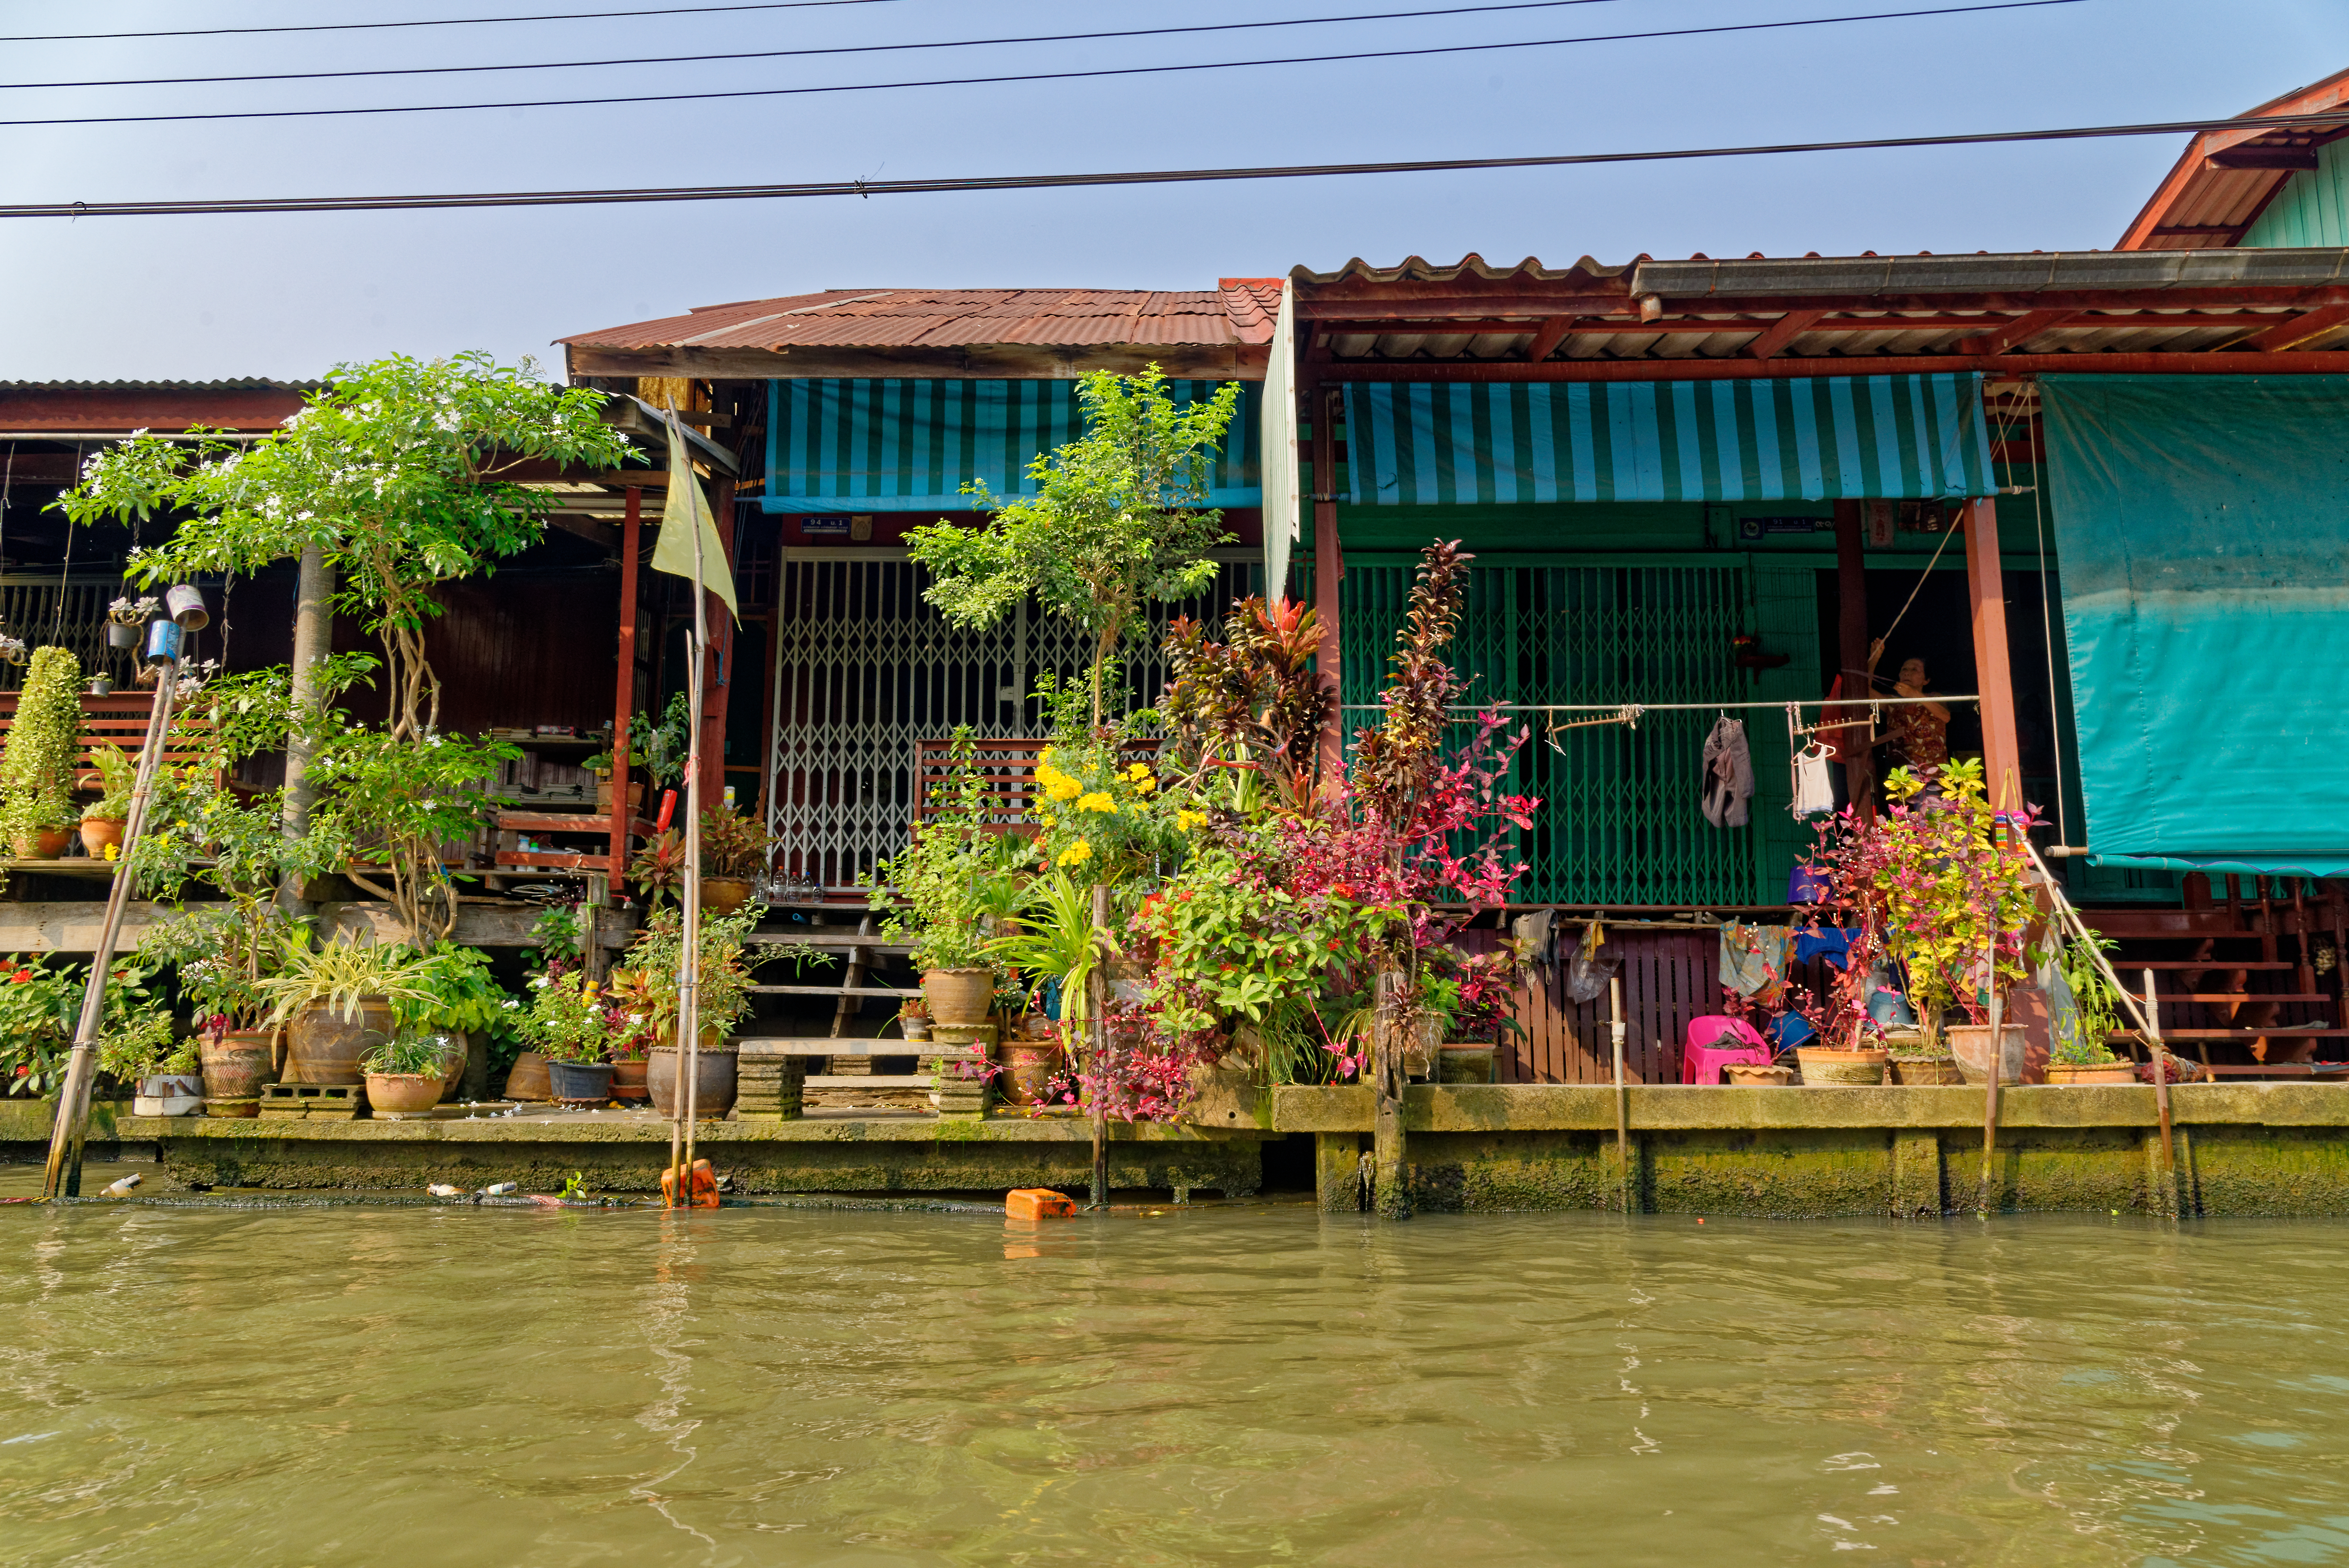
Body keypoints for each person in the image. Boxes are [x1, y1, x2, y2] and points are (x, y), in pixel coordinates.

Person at [1867, 638, 1951, 773]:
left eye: (1914, 670)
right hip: (1901, 776)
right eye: (1904, 669)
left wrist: (1914, 694)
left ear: (1926, 680)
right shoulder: (1892, 702)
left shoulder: (1934, 698)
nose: (1907, 673)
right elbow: (1863, 690)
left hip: (1934, 774)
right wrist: (1874, 658)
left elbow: (1946, 716)